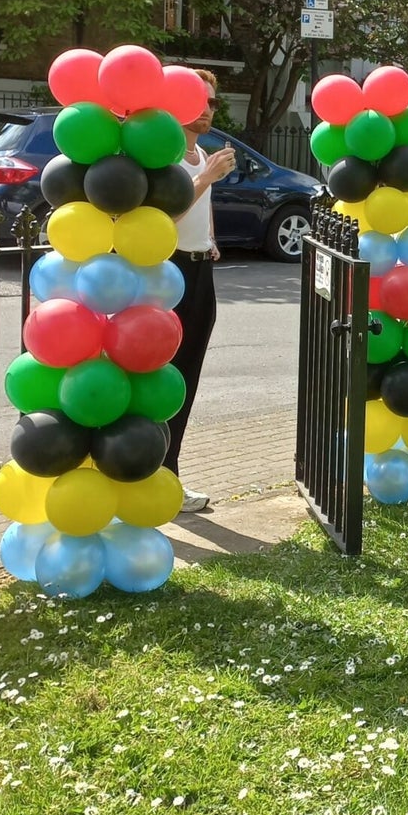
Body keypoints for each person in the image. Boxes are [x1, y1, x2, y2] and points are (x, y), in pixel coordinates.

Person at [167, 67, 236, 514]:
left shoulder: (199, 155)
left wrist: (209, 240)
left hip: (198, 274)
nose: (210, 109)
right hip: (166, 276)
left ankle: (167, 476)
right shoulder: (165, 156)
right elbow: (162, 215)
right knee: (162, 379)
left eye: (212, 102)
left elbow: (196, 211)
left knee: (184, 382)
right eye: (202, 100)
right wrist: (207, 177)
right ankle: (144, 476)